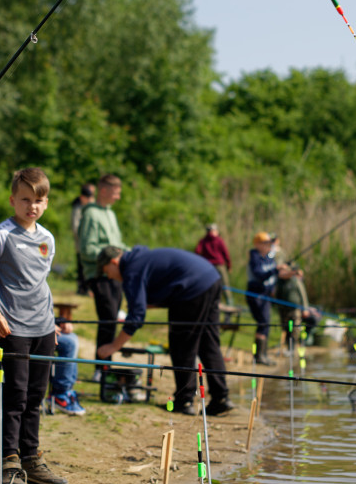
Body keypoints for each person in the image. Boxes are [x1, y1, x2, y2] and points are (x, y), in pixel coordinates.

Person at [0, 167, 68, 484]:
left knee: (35, 397)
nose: (33, 206)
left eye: (39, 200)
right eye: (26, 199)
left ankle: (31, 457)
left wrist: (53, 323)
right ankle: (10, 462)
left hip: (43, 328)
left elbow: (42, 284)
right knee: (14, 397)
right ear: (13, 200)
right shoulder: (1, 235)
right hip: (12, 328)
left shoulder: (48, 238)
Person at [95, 245, 234, 417]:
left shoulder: (132, 270)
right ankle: (221, 398)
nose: (108, 276)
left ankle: (184, 401)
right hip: (211, 277)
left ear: (114, 262)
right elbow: (160, 288)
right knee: (208, 343)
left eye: (106, 270)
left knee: (182, 345)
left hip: (191, 289)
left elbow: (137, 317)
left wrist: (113, 347)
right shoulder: (139, 259)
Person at [77, 174, 124, 367]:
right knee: (108, 319)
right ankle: (102, 368)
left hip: (117, 274)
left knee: (113, 319)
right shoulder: (90, 214)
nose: (118, 197)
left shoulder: (111, 213)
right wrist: (111, 257)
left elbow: (118, 244)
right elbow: (87, 250)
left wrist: (129, 254)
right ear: (103, 191)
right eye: (116, 193)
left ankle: (107, 365)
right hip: (100, 275)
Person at [246, 231, 295, 366]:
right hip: (256, 295)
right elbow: (259, 274)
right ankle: (259, 356)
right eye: (265, 243)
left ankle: (263, 354)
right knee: (263, 322)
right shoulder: (254, 257)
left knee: (266, 322)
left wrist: (290, 272)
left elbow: (274, 275)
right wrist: (275, 270)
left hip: (266, 295)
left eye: (269, 243)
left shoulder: (269, 257)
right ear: (257, 244)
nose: (268, 245)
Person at [50, 319, 86, 415]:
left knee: (72, 337)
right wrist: (47, 325)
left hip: (45, 324)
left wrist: (60, 321)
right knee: (69, 344)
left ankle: (68, 391)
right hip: (32, 329)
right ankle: (60, 393)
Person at [195, 223, 232, 305]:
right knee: (224, 284)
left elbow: (197, 251)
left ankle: (215, 301)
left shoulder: (203, 240)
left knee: (211, 284)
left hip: (207, 266)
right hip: (219, 265)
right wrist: (229, 265)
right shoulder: (219, 240)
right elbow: (226, 253)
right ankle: (228, 302)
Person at [70, 183, 95, 295]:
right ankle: (82, 289)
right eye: (89, 197)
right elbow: (75, 227)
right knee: (81, 267)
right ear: (82, 197)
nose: (91, 199)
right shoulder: (78, 208)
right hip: (81, 244)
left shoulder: (91, 207)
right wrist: (83, 238)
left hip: (90, 244)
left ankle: (89, 288)